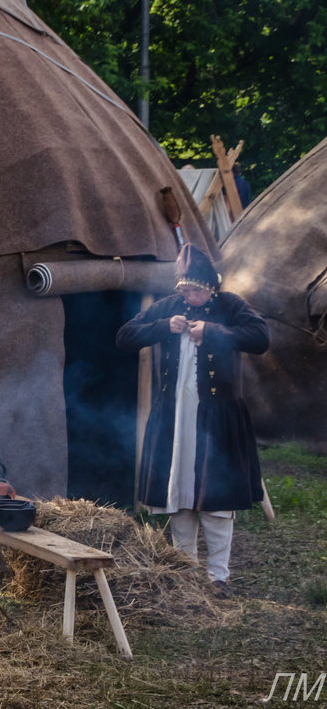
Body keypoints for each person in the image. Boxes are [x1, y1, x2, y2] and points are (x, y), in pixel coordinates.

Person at [116, 245, 269, 597]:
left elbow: (261, 338)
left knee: (216, 500)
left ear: (211, 286)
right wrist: (162, 327)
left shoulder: (230, 305)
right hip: (174, 418)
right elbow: (124, 337)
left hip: (218, 419)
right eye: (184, 290)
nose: (188, 296)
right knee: (179, 495)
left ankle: (218, 577)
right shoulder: (169, 308)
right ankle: (186, 572)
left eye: (195, 290)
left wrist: (213, 332)